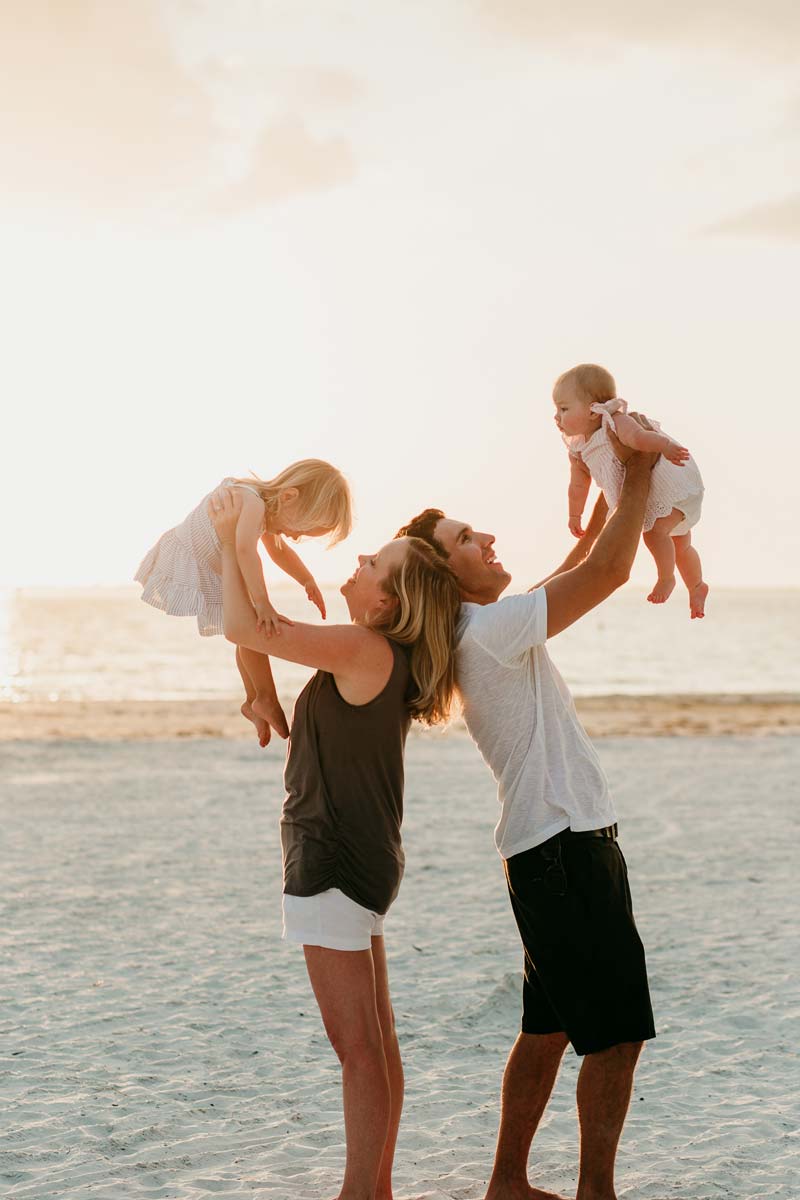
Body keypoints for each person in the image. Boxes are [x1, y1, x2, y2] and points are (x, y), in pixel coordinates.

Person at [396, 432, 660, 1200]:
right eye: (467, 539)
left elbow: (579, 567)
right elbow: (608, 571)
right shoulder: (488, 631)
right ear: (446, 574)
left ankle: (508, 1183)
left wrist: (612, 487)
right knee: (616, 1038)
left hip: (545, 853)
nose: (488, 539)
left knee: (546, 1030)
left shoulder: (479, 630)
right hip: (567, 851)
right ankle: (594, 1194)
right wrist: (639, 470)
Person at [209, 486, 461, 1200]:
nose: (360, 558)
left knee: (357, 1052)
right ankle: (373, 1188)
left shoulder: (361, 647)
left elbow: (246, 622)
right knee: (374, 1045)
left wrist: (233, 537)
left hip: (335, 865)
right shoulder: (381, 655)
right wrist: (259, 687)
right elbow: (253, 632)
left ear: (386, 601)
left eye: (375, 560)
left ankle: (361, 1194)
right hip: (362, 860)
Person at [135, 458, 352, 745]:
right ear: (289, 496)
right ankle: (265, 697)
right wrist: (262, 603)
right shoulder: (252, 501)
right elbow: (246, 550)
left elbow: (278, 550)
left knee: (246, 635)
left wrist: (306, 579)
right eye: (302, 529)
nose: (296, 536)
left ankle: (255, 699)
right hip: (196, 556)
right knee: (253, 625)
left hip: (216, 560)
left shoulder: (264, 506)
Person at [554, 363, 708, 617]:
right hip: (659, 501)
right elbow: (578, 486)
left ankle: (666, 578)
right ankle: (697, 586)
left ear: (593, 410)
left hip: (671, 486)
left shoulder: (614, 421)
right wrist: (574, 515)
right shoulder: (578, 447)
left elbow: (638, 437)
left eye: (564, 409)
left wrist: (665, 445)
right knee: (680, 545)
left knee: (655, 534)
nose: (556, 417)